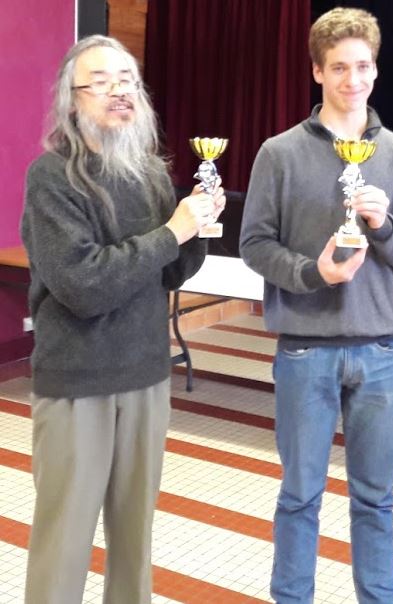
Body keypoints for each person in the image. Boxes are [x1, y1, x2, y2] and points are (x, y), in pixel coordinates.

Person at [21, 35, 225, 603]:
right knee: (64, 543)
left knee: (135, 543)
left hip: (146, 376)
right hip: (77, 383)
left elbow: (170, 270)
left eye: (128, 80)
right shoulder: (52, 177)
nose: (119, 91)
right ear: (72, 100)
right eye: (101, 81)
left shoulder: (149, 173)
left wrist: (198, 227)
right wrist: (172, 231)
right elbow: (83, 285)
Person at [240, 7, 393, 603]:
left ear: (376, 69)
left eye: (363, 66)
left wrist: (383, 225)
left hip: (381, 351)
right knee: (299, 497)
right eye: (340, 67)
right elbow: (254, 244)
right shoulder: (279, 153)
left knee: (376, 499)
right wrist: (311, 273)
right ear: (317, 71)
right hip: (305, 349)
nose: (354, 79)